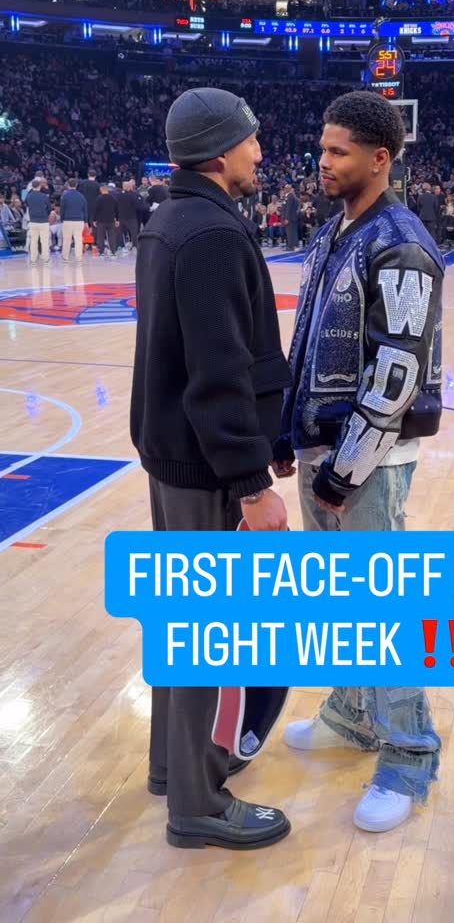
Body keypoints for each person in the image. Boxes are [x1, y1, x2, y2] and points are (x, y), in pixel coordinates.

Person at [273, 90, 444, 834]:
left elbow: (396, 375)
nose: (323, 161)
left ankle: (409, 756)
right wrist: (289, 431)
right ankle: (351, 713)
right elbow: (309, 341)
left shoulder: (400, 242)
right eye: (322, 147)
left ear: (381, 159)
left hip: (367, 461)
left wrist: (345, 470)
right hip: (326, 450)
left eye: (339, 151)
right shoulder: (335, 232)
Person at [130, 87, 292, 851]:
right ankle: (197, 801)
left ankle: (172, 764)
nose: (262, 152)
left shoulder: (169, 219)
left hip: (172, 460)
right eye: (253, 140)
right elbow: (218, 375)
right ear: (222, 151)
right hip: (206, 469)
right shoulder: (211, 235)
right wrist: (253, 483)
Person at [60, 178, 88, 262]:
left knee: (66, 239)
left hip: (67, 220)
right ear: (76, 185)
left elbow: (62, 209)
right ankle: (79, 257)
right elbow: (85, 210)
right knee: (78, 239)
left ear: (68, 185)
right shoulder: (81, 196)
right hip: (79, 221)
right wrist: (86, 221)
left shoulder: (65, 196)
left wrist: (62, 220)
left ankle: (65, 257)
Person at [26, 180, 51, 263]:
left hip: (33, 221)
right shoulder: (44, 196)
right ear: (40, 186)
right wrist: (45, 215)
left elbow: (26, 205)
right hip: (43, 221)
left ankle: (33, 259)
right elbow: (49, 209)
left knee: (33, 241)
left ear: (32, 187)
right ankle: (46, 258)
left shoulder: (28, 196)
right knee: (44, 241)